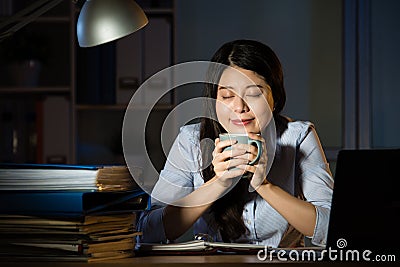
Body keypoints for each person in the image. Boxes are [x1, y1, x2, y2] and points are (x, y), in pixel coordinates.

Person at [137, 39, 333, 247]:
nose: (239, 107)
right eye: (227, 96)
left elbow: (333, 230)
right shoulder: (191, 141)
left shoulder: (299, 136)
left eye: (254, 93)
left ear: (275, 97)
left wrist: (264, 186)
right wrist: (218, 183)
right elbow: (147, 231)